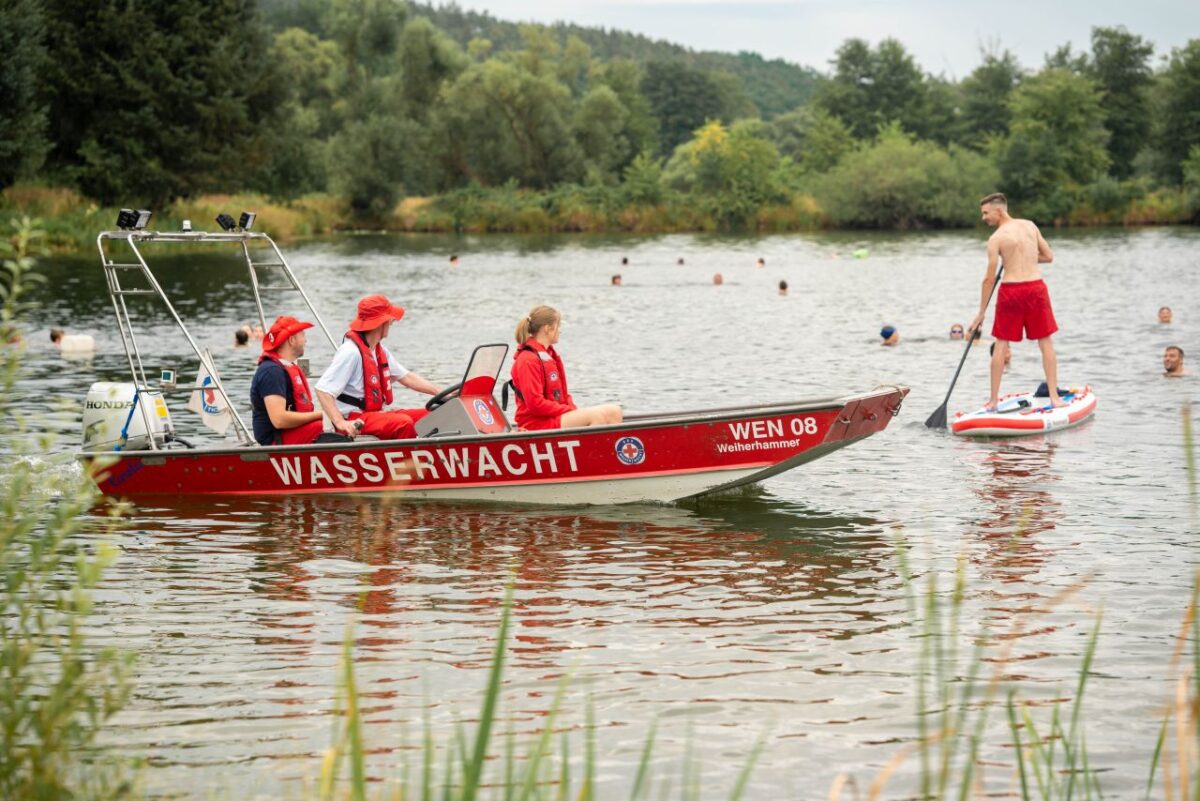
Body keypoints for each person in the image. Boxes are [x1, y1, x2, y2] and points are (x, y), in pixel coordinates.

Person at [969, 193, 1064, 411]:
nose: (984, 218)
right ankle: (1054, 397)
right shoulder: (1030, 226)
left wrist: (981, 313)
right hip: (1035, 289)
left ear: (999, 210)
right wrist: (1027, 257)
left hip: (1011, 292)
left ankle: (993, 401)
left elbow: (989, 279)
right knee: (1046, 342)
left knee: (1001, 344)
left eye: (985, 213)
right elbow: (1048, 256)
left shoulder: (996, 239)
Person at [315, 295, 440, 439]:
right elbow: (322, 390)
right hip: (353, 418)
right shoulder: (350, 352)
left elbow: (407, 377)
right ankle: (411, 454)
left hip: (373, 415)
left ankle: (442, 450)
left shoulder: (379, 351)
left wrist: (443, 394)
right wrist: (341, 423)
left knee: (434, 414)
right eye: (390, 319)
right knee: (403, 423)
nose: (392, 322)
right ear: (381, 323)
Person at [510, 305, 622, 430]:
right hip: (536, 423)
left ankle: (608, 443)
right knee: (596, 416)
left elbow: (563, 395)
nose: (560, 331)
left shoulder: (548, 355)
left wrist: (572, 409)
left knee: (615, 411)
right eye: (558, 326)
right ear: (547, 329)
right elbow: (535, 404)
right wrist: (569, 410)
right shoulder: (527, 360)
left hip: (553, 416)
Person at [250, 316, 325, 446]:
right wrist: (322, 415)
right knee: (326, 425)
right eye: (302, 335)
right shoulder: (271, 371)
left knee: (335, 422)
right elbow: (279, 420)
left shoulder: (283, 367)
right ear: (291, 340)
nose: (306, 340)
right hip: (276, 440)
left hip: (289, 433)